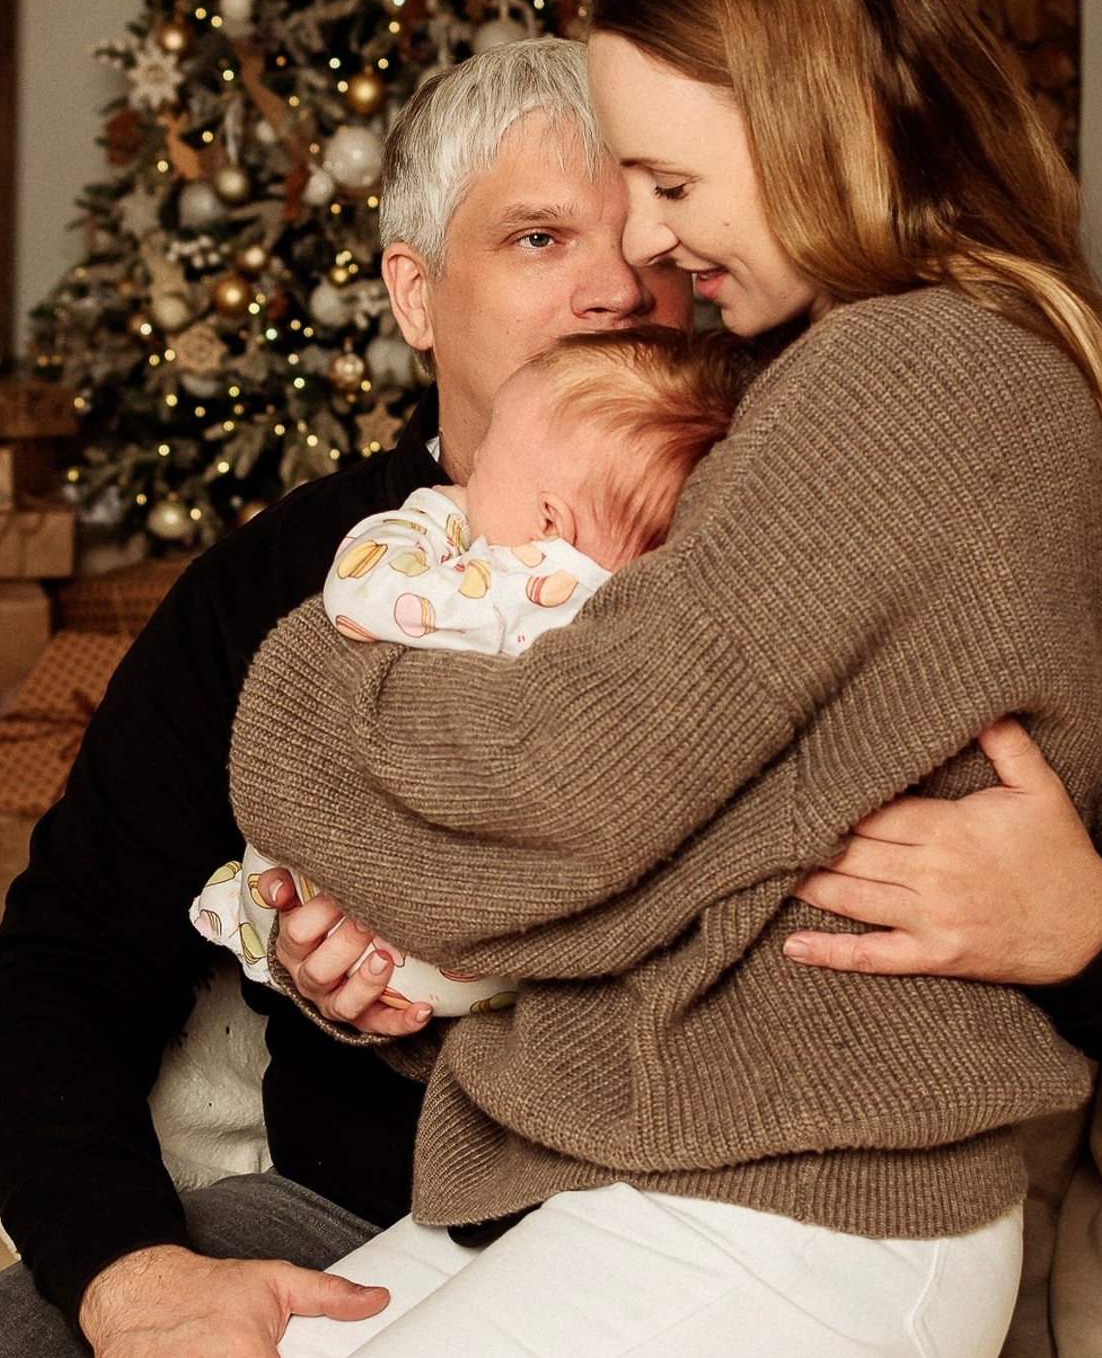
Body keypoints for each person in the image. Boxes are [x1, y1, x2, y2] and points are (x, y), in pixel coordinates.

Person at [0, 35, 1102, 1358]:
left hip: (728, 1207)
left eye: (652, 230)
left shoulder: (764, 525)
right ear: (415, 293)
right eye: (539, 239)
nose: (618, 284)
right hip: (381, 1210)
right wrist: (135, 1273)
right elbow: (60, 962)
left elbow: (1099, 863)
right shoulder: (302, 583)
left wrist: (1096, 926)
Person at [225, 0, 1102, 1358]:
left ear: (816, 118)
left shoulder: (912, 379)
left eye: (670, 187)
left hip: (795, 1213)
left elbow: (563, 798)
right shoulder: (867, 373)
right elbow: (671, 846)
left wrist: (303, 679)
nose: (647, 243)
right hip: (657, 1171)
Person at [191, 327, 750, 1019]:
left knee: (270, 870)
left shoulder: (520, 585)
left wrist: (430, 516)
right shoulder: (638, 620)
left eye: (485, 470)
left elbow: (360, 595)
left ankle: (245, 913)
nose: (465, 480)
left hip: (392, 945)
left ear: (549, 524)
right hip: (496, 977)